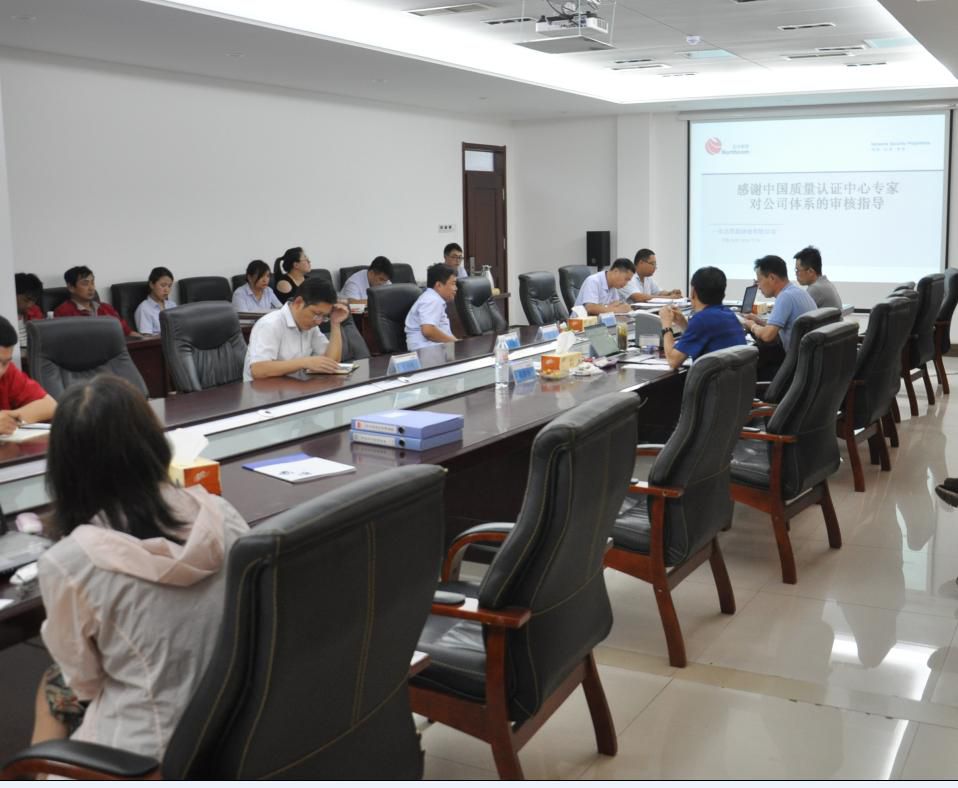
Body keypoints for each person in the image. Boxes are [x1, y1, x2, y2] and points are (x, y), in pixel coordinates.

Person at [30, 374, 249, 760]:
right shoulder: (222, 513)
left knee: (53, 685)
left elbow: (84, 684)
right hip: (237, 727)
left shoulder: (69, 563)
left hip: (144, 758)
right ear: (154, 444)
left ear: (63, 465)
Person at [244, 277, 348, 381]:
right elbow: (258, 370)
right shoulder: (270, 324)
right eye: (317, 314)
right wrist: (304, 362)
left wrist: (335, 323)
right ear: (298, 302)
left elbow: (331, 362)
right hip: (264, 389)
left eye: (324, 316)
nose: (318, 322)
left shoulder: (311, 326)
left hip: (296, 386)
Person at [743, 254, 817, 378]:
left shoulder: (785, 297)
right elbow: (784, 327)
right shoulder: (798, 292)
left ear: (772, 278)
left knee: (747, 367)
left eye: (759, 280)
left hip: (793, 369)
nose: (759, 286)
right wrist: (758, 321)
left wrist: (751, 325)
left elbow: (767, 336)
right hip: (805, 364)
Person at [659, 266, 747, 369]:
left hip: (713, 378)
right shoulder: (729, 314)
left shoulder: (701, 320)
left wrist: (666, 325)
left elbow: (673, 361)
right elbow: (700, 338)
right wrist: (682, 323)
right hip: (732, 378)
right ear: (723, 293)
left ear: (693, 292)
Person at [0, 315, 56, 434]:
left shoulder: (8, 372)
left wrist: (10, 418)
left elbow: (50, 405)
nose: (1, 371)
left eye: (5, 362)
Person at [53, 266, 141, 337]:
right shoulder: (63, 313)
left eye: (92, 282)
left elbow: (127, 332)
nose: (91, 288)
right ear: (71, 288)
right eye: (85, 283)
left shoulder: (106, 308)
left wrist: (142, 339)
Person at [405, 263, 458, 350]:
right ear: (439, 285)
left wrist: (456, 342)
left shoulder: (432, 298)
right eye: (453, 284)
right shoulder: (432, 300)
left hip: (432, 350)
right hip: (425, 352)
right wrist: (455, 342)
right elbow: (428, 331)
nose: (456, 288)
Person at [794, 246, 842, 310]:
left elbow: (799, 312)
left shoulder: (815, 289)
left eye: (798, 270)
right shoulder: (825, 283)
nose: (796, 274)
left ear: (810, 271)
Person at [134, 266, 176, 335]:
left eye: (169, 286)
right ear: (151, 285)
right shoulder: (144, 309)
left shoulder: (172, 305)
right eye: (163, 285)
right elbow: (147, 338)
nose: (167, 290)